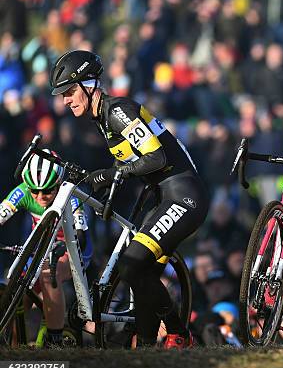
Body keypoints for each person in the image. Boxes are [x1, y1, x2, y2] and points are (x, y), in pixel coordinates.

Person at [49, 50, 210, 348]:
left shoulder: (117, 110)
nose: (66, 101)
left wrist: (110, 175)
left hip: (184, 196)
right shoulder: (101, 120)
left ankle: (178, 331)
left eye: (70, 92)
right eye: (62, 95)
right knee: (139, 273)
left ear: (90, 85)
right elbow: (133, 164)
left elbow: (156, 156)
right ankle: (146, 347)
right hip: (164, 197)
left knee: (132, 264)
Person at [0, 150, 92, 347]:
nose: (40, 196)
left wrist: (61, 250)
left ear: (58, 183)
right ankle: (15, 349)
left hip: (72, 249)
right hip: (41, 248)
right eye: (34, 191)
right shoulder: (23, 191)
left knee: (49, 273)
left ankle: (54, 340)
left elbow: (81, 239)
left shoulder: (70, 195)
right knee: (17, 289)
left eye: (48, 190)